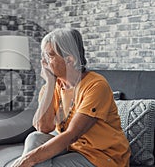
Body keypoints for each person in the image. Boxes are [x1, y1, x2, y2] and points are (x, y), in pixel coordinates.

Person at [11, 28, 131, 167]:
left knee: (37, 163)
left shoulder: (96, 86)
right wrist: (50, 83)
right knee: (35, 137)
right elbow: (42, 127)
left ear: (69, 59)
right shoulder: (52, 86)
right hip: (73, 148)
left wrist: (29, 159)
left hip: (103, 156)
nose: (43, 62)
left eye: (49, 56)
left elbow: (73, 134)